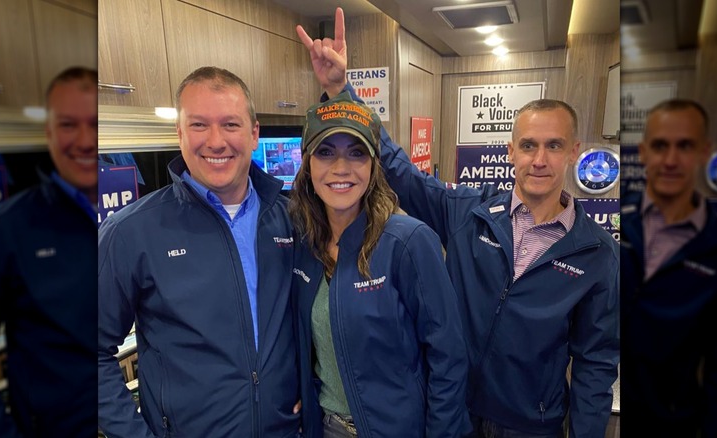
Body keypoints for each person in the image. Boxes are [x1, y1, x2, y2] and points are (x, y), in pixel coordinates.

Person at [296, 9, 619, 437]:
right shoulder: (472, 212)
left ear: (573, 151)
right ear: (510, 151)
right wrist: (342, 91)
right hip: (454, 412)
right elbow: (399, 171)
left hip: (531, 426)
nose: (539, 159)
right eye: (528, 145)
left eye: (553, 146)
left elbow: (596, 363)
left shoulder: (596, 252)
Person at [98, 66, 300, 437]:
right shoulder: (130, 232)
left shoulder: (292, 220)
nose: (216, 141)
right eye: (199, 125)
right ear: (179, 133)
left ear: (254, 133)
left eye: (231, 124)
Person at [290, 92, 471, 437]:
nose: (341, 168)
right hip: (324, 428)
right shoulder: (301, 243)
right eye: (326, 152)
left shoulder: (408, 242)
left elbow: (448, 357)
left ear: (373, 166)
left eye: (356, 153)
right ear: (307, 162)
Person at [0, 67, 98, 437]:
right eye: (69, 124)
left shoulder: (135, 221)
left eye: (95, 122)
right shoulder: (2, 231)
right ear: (49, 132)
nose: (86, 140)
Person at [619, 99, 717, 437]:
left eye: (685, 146)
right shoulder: (615, 227)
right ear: (643, 151)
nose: (671, 160)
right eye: (661, 145)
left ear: (704, 152)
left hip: (673, 424)